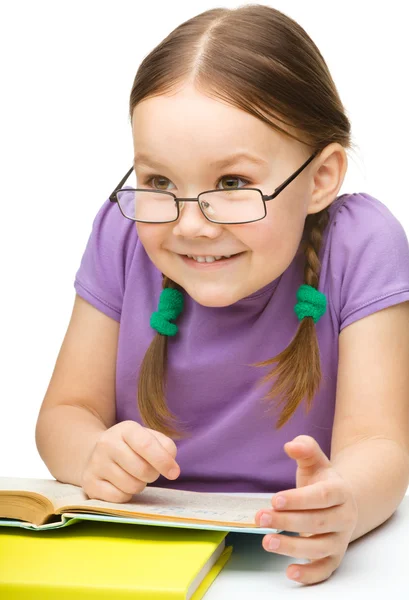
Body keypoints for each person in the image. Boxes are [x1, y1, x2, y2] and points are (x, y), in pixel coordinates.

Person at [35, 4, 409, 585]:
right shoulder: (122, 232)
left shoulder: (360, 243)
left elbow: (379, 443)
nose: (190, 225)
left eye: (232, 184)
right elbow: (64, 413)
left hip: (282, 567)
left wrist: (346, 502)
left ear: (321, 178)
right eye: (159, 182)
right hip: (143, 549)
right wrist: (89, 455)